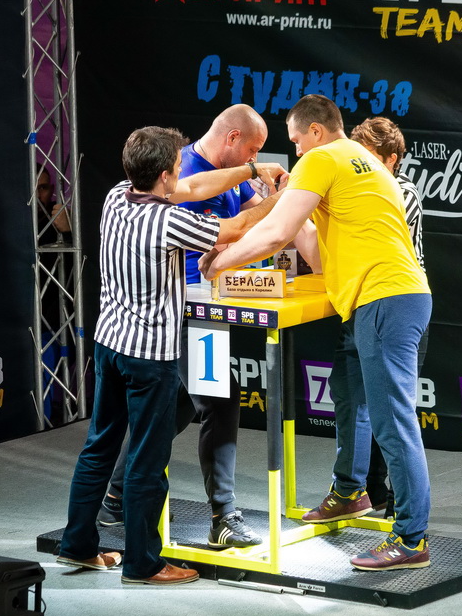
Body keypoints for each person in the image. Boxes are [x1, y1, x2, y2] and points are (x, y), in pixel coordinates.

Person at [200, 95, 433, 571]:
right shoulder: (364, 160)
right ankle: (358, 499)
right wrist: (298, 205)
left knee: (394, 425)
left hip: (384, 300)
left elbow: (274, 234)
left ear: (316, 132)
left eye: (296, 141)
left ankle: (411, 540)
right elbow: (319, 253)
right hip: (400, 296)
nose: (296, 152)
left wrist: (220, 261)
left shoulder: (322, 159)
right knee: (383, 416)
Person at [56, 126, 286, 585]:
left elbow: (196, 187)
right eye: (177, 166)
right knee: (148, 460)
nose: (183, 172)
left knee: (99, 447)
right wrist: (284, 196)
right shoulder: (169, 222)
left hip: (109, 346)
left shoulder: (117, 196)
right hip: (149, 358)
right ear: (164, 175)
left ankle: (77, 546)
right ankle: (143, 564)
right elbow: (238, 227)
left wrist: (252, 170)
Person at [97, 105, 318, 549]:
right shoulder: (172, 189)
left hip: (195, 310)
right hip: (180, 312)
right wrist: (292, 195)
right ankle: (223, 515)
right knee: (219, 399)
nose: (254, 157)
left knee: (180, 405)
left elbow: (256, 215)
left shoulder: (219, 173)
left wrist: (261, 179)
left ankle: (115, 498)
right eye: (252, 150)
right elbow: (236, 227)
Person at [349, 117, 429, 517]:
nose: (360, 163)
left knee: (396, 413)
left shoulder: (403, 192)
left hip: (400, 304)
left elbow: (364, 224)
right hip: (369, 303)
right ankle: (372, 491)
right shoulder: (360, 188)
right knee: (372, 408)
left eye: (369, 156)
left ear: (392, 158)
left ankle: (404, 510)